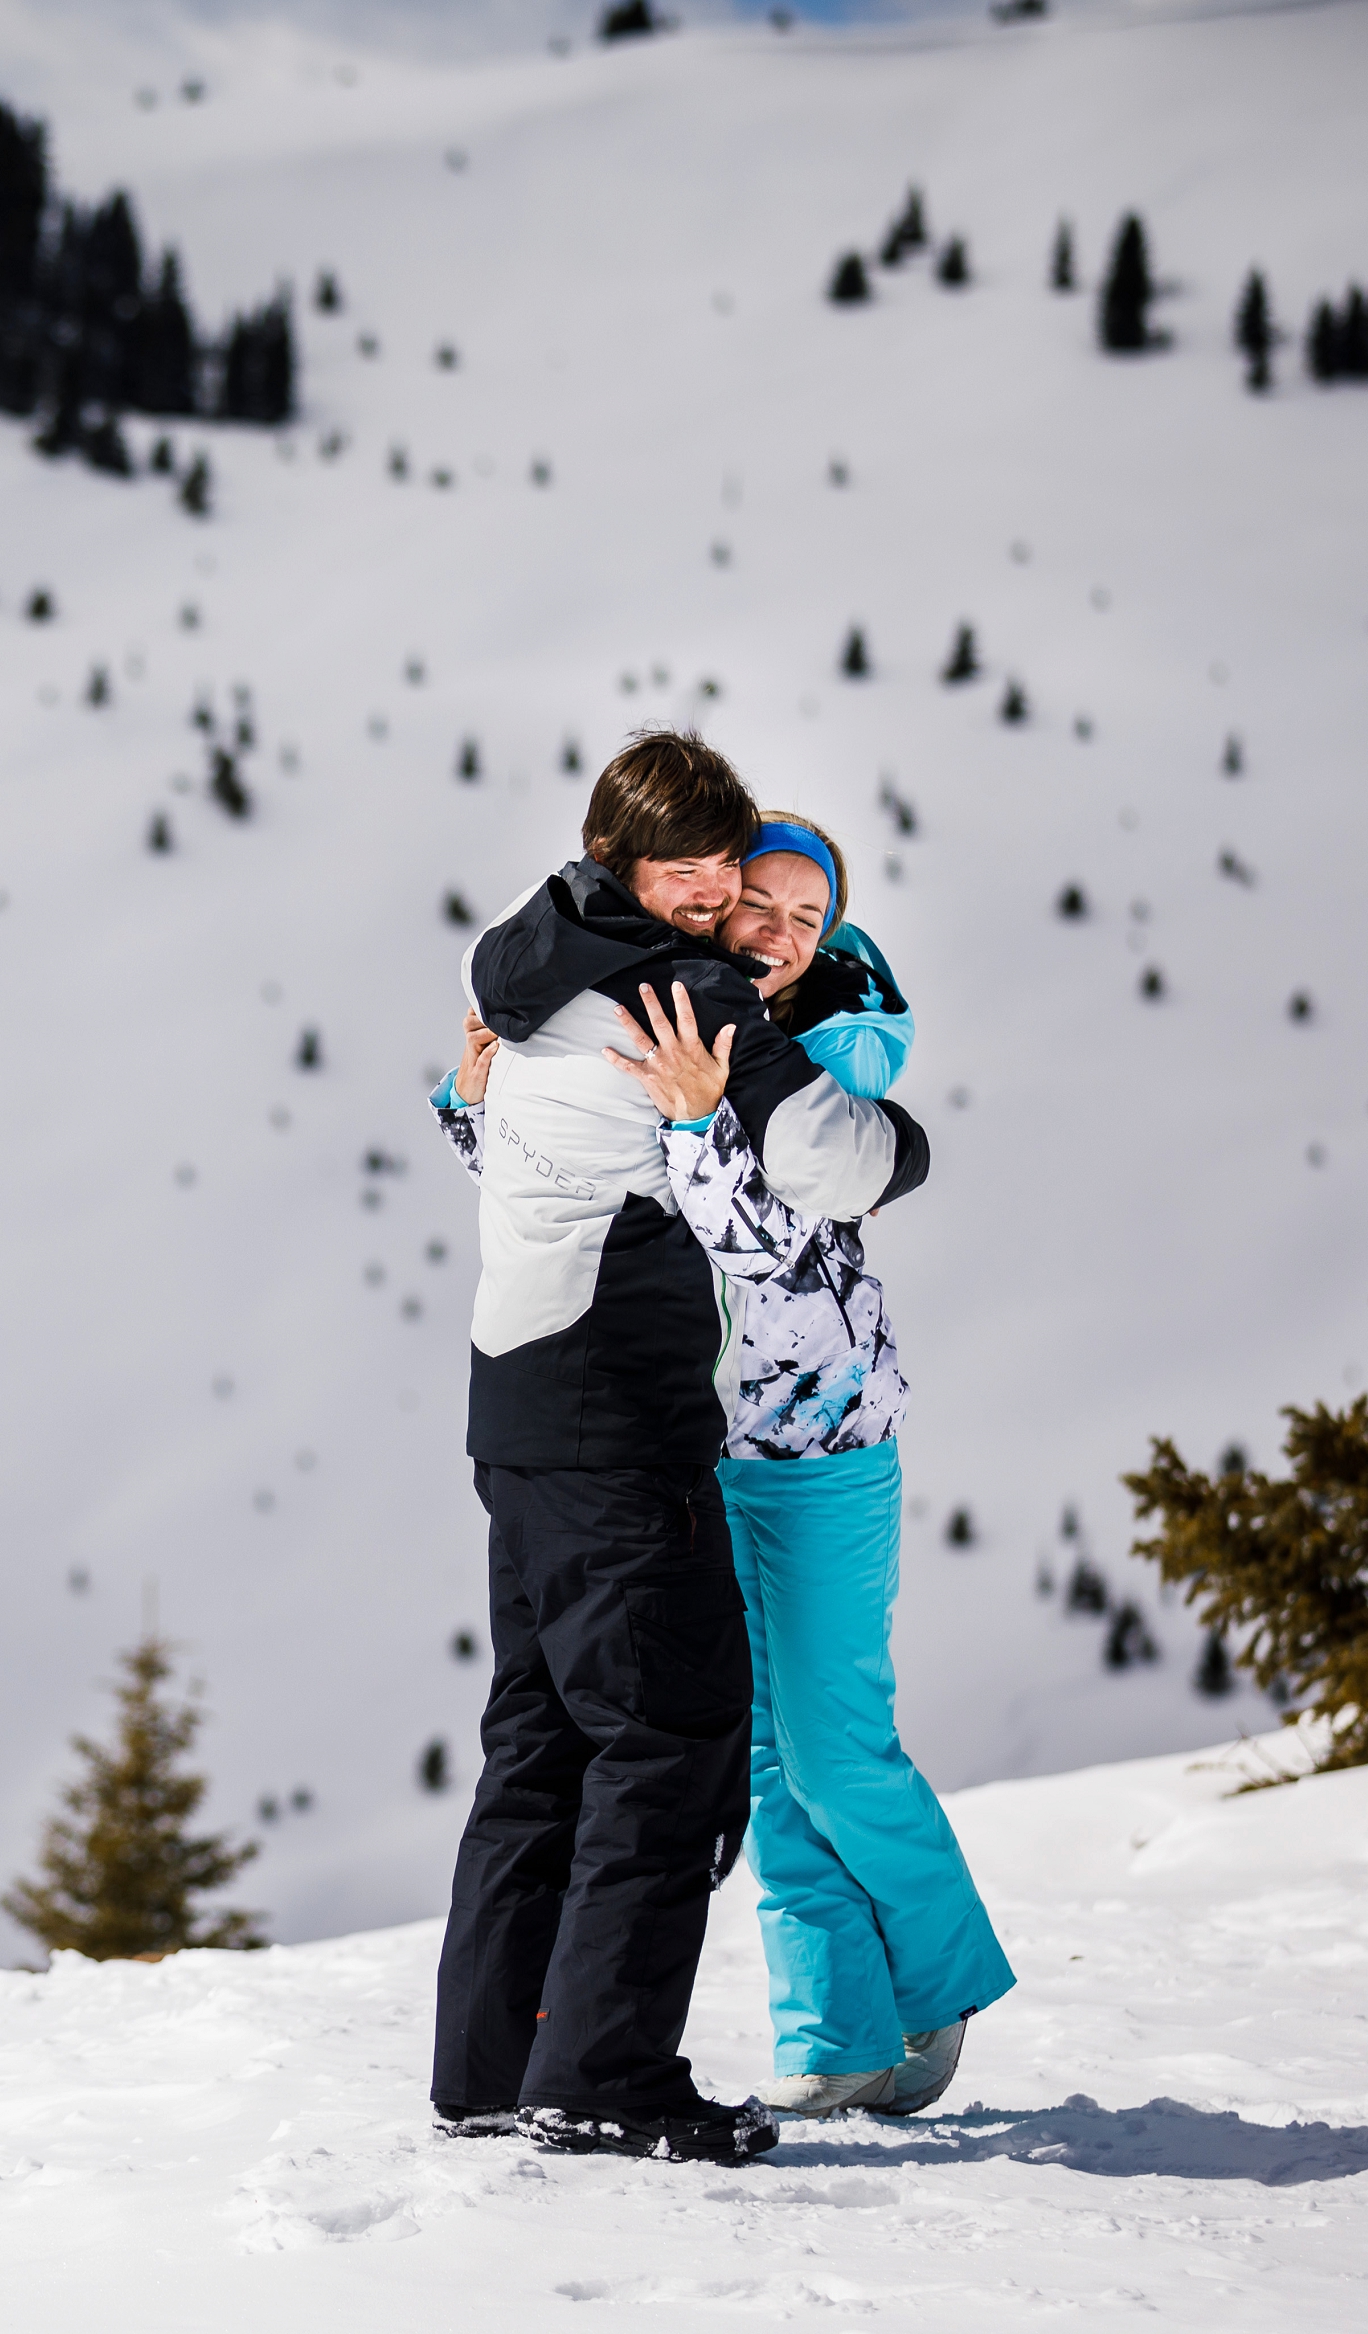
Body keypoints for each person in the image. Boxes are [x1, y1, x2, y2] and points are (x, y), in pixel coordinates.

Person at [427, 735, 929, 2165]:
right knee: (671, 1731)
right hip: (615, 1415)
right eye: (688, 876)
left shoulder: (519, 957)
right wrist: (900, 1139)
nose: (716, 902)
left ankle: (494, 2061)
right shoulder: (688, 994)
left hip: (514, 1407)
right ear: (622, 859)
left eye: (727, 874)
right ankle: (604, 2071)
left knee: (543, 1736)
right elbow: (833, 1161)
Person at [565, 817, 1015, 2118]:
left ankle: (938, 1979)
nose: (773, 928)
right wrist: (482, 1099)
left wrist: (707, 1118)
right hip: (705, 1464)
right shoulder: (664, 1033)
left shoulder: (816, 1067)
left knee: (835, 1750)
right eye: (756, 900)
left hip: (825, 1452)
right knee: (766, 1766)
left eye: (803, 918)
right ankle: (837, 2037)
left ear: (822, 948)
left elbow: (768, 1239)